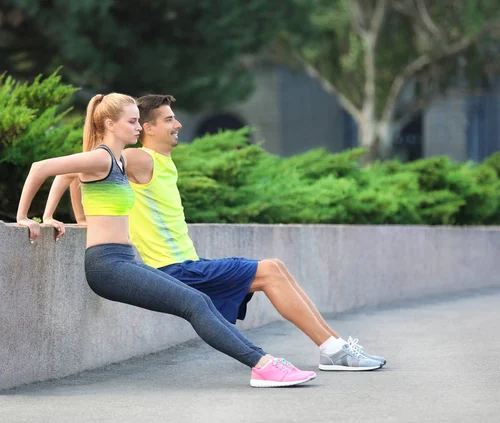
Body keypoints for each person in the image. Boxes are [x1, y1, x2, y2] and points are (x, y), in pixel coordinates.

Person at [45, 95, 385, 372]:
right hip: (171, 271)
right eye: (168, 120)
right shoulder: (138, 157)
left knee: (275, 268)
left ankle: (335, 346)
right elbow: (78, 169)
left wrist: (84, 214)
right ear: (146, 128)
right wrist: (79, 217)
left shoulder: (162, 162)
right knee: (268, 270)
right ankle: (334, 351)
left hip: (189, 264)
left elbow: (81, 175)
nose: (177, 124)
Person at [17, 93, 316, 388]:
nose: (138, 127)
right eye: (132, 121)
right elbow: (41, 168)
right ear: (110, 124)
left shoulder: (117, 161)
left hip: (123, 260)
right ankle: (263, 365)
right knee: (194, 303)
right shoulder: (101, 158)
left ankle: (265, 364)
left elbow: (68, 176)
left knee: (199, 300)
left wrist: (62, 216)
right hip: (106, 266)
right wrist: (26, 216)